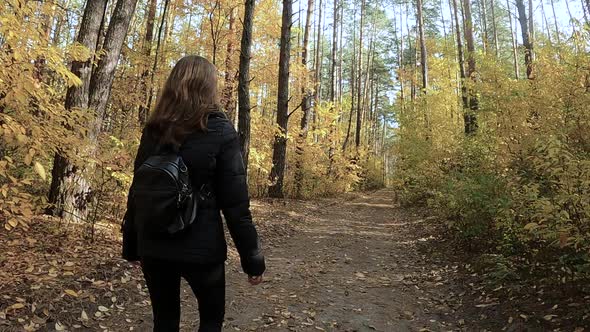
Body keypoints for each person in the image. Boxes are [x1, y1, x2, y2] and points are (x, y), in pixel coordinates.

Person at [121, 55, 265, 332]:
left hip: (155, 245)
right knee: (211, 322)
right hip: (202, 248)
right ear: (207, 86)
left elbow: (137, 191)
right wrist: (253, 260)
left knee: (164, 322)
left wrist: (132, 245)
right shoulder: (221, 130)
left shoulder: (154, 129)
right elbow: (236, 206)